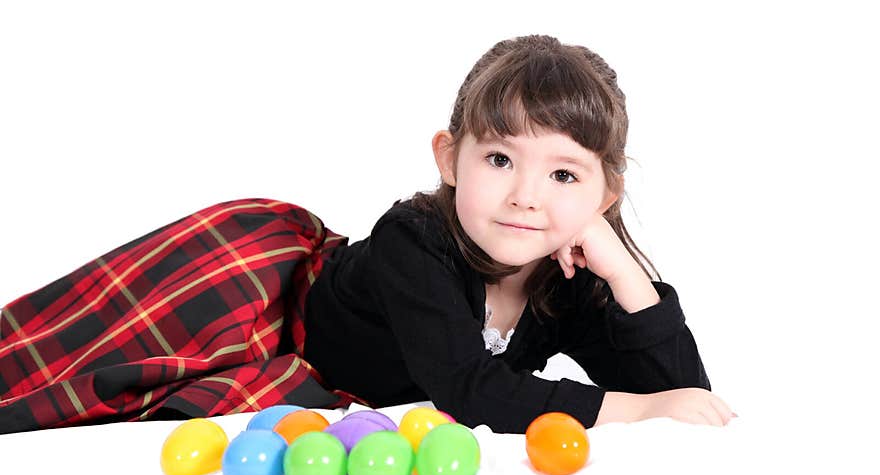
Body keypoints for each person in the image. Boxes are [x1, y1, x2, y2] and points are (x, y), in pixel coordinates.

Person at [0, 34, 734, 434]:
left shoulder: (568, 280)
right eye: (501, 158)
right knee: (59, 362)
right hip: (265, 299)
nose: (525, 197)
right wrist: (636, 409)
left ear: (607, 192)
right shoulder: (415, 238)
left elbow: (685, 396)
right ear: (450, 157)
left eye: (565, 176)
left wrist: (623, 271)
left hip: (329, 381)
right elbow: (469, 391)